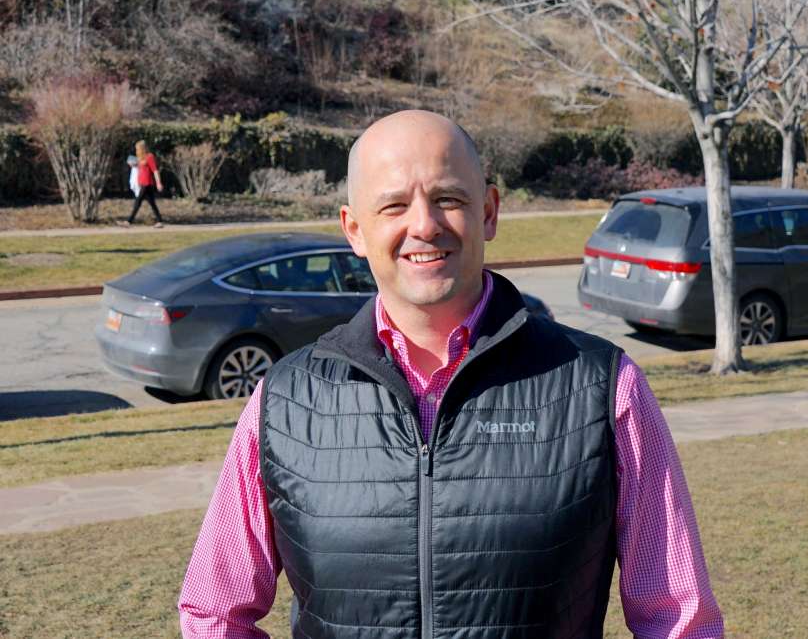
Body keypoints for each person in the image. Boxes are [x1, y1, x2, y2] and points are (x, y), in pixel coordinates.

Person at [178, 110, 724, 638]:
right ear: (355, 230)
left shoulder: (602, 386)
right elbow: (214, 613)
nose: (424, 225)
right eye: (393, 205)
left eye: (448, 199)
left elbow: (678, 619)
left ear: (488, 212)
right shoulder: (285, 400)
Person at [120, 140, 164, 227]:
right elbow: (138, 168)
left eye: (138, 149)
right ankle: (160, 221)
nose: (137, 151)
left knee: (138, 201)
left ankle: (129, 221)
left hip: (147, 183)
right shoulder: (140, 159)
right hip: (142, 183)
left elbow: (155, 170)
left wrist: (158, 182)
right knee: (152, 203)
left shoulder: (149, 157)